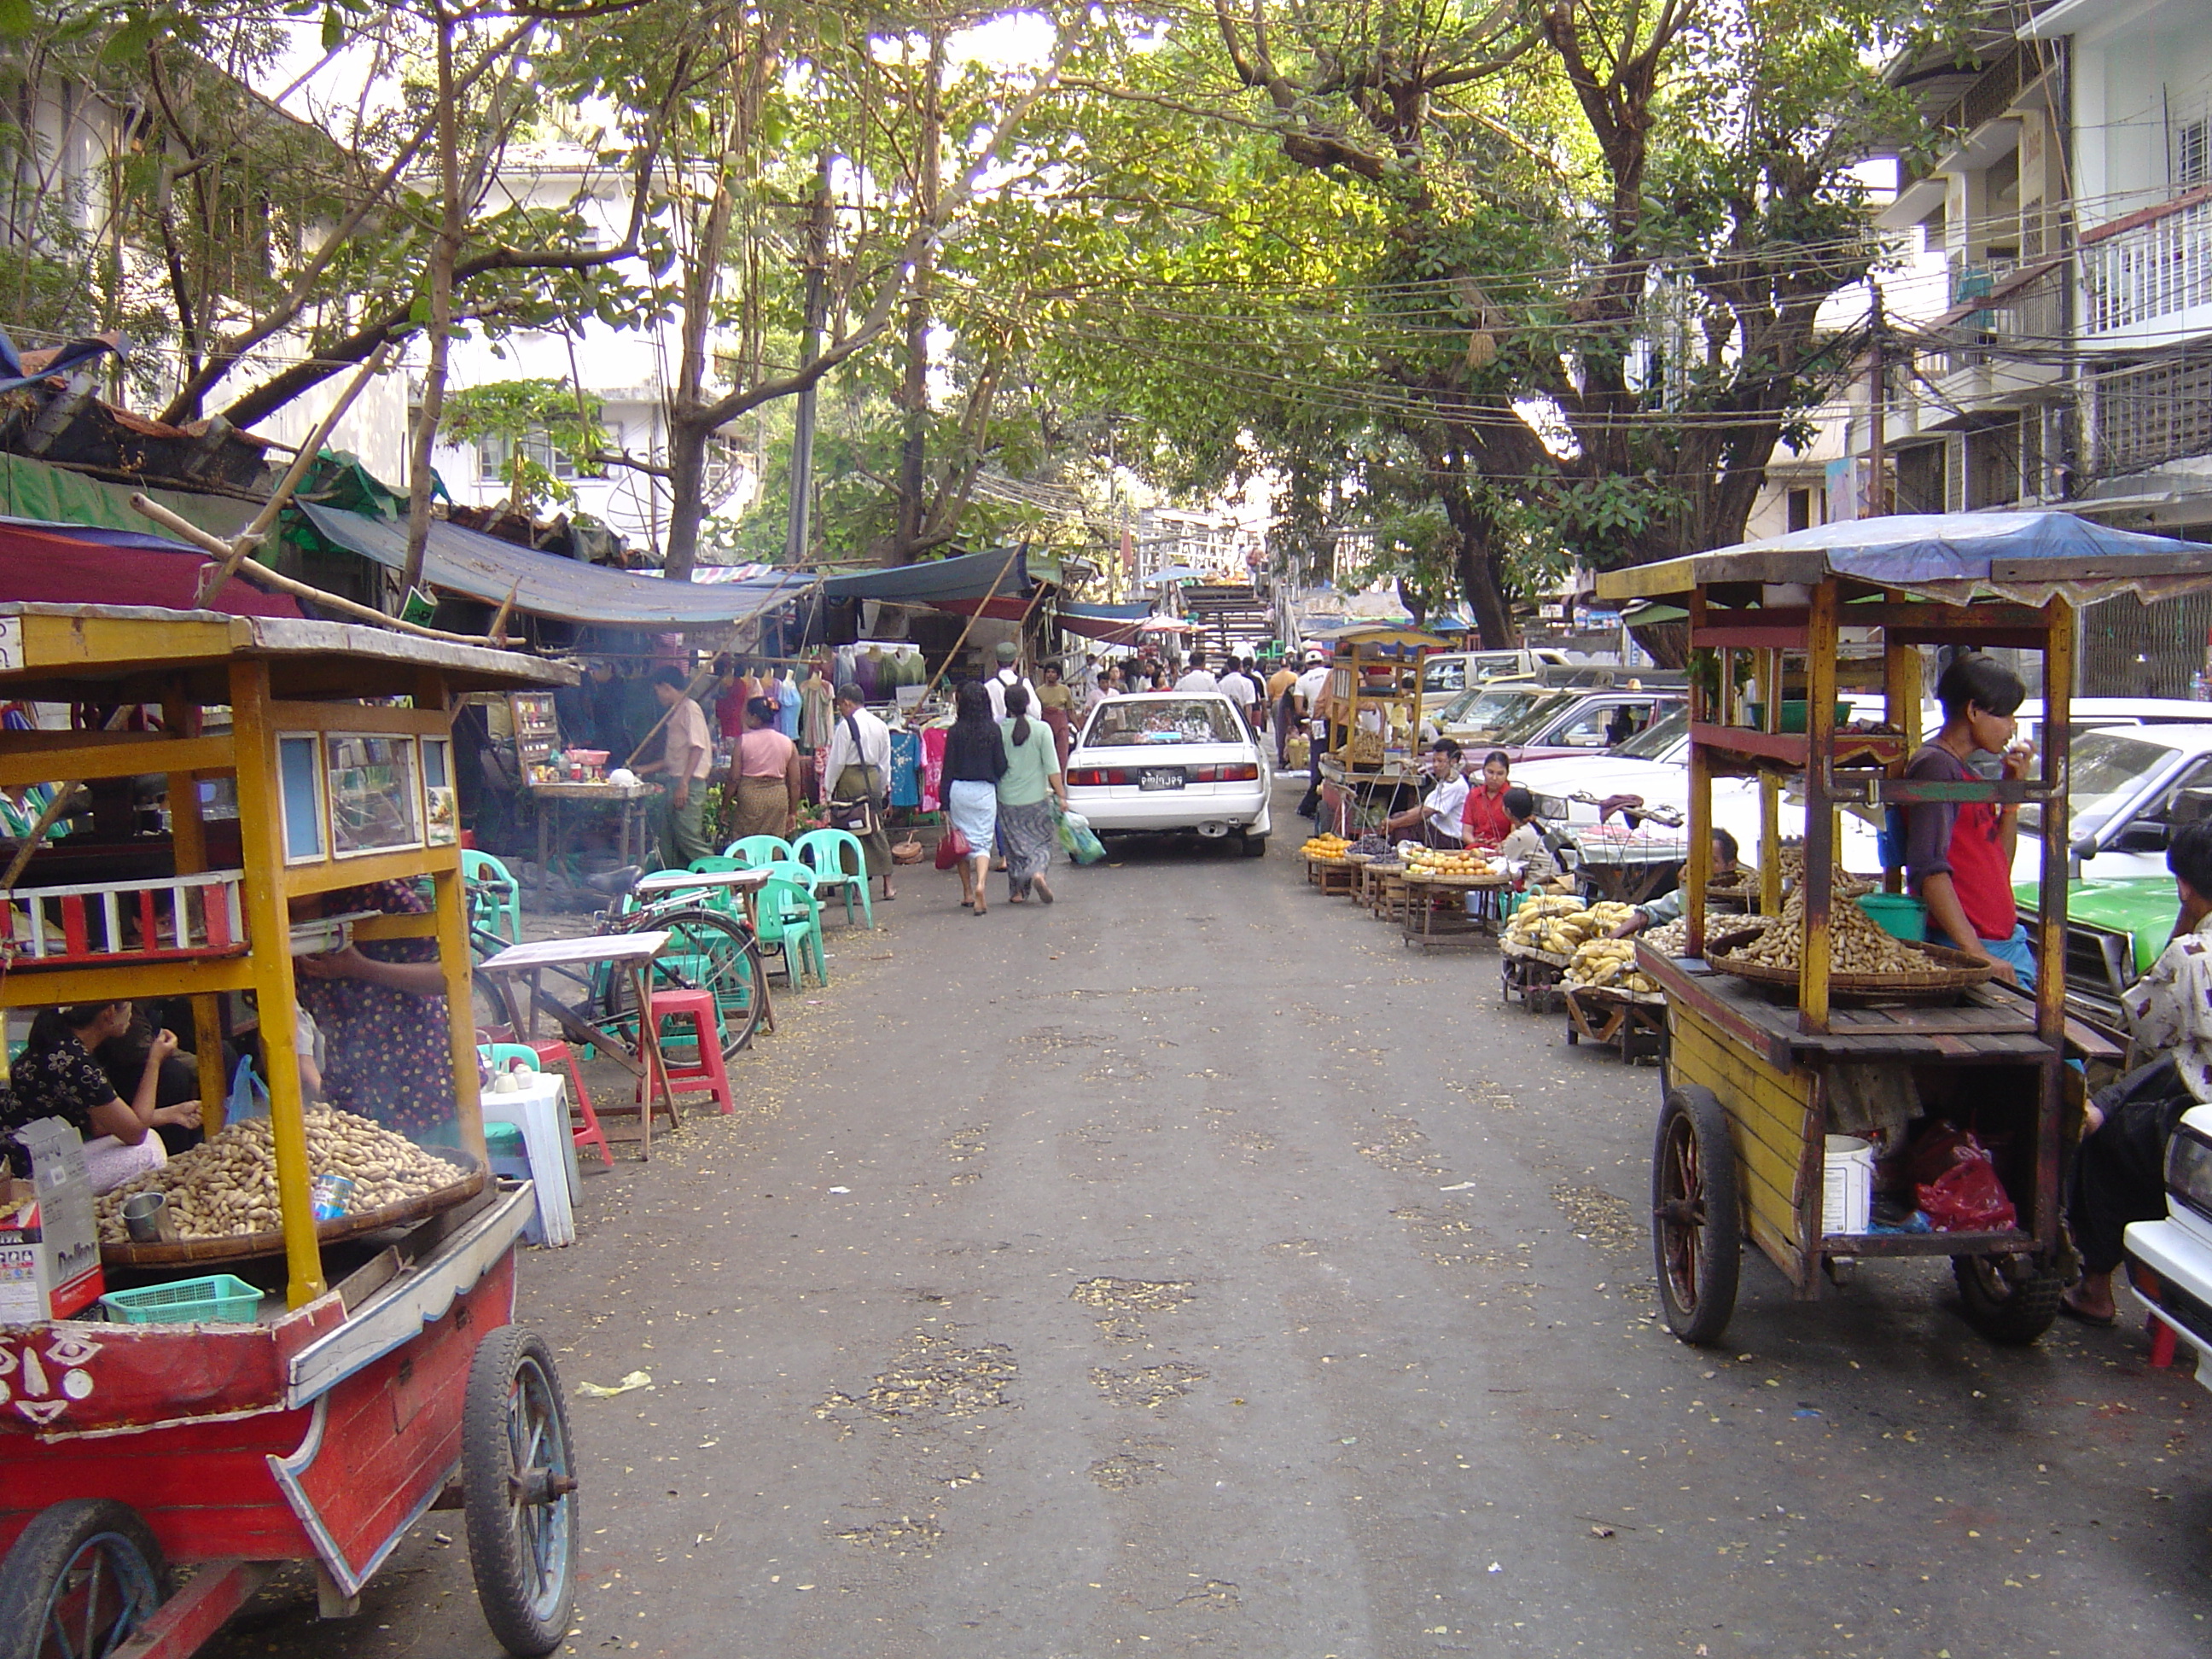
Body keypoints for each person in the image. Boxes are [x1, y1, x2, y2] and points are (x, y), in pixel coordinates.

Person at [2062, 819, 2212, 1326]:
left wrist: (2182, 928)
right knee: (2153, 1098)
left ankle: (2095, 1288)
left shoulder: (2191, 956)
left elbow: (2144, 1031)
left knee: (2111, 1145)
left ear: (2185, 887)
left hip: (2202, 1126)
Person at [1905, 654, 2035, 985]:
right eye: (2005, 715)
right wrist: (1975, 950)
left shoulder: (1967, 774)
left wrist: (2010, 801)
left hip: (2001, 945)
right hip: (1971, 949)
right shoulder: (1935, 766)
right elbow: (1928, 867)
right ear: (1973, 711)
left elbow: (1999, 865)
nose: (2012, 727)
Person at [294, 882, 457, 1142]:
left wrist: (360, 967)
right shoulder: (266, 919)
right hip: (351, 1090)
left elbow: (448, 978)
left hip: (424, 1078)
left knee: (445, 1167)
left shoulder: (381, 896)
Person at [1, 1001, 200, 1193]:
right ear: (109, 1012)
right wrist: (154, 1061)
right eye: (129, 1005)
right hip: (27, 1176)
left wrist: (172, 1114)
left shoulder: (62, 1042)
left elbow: (101, 1125)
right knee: (148, 1152)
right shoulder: (75, 1062)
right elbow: (136, 1133)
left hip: (34, 1160)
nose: (132, 1013)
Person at [824, 682, 897, 901]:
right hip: (873, 779)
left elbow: (837, 761)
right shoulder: (881, 725)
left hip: (850, 780)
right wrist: (885, 787)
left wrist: (828, 790)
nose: (840, 710)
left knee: (850, 829)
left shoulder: (846, 726)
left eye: (840, 706)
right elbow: (885, 761)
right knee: (875, 828)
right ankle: (888, 885)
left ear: (846, 702)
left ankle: (857, 888)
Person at [997, 684, 1069, 905]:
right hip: (1037, 799)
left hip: (1007, 799)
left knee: (1015, 846)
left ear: (1006, 705)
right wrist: (1062, 795)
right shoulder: (1042, 729)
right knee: (1041, 843)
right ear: (1029, 703)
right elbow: (1052, 767)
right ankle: (1038, 873)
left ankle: (1018, 892)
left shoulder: (998, 731)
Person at [637, 665, 714, 868]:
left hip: (688, 784)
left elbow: (697, 749)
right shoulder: (677, 711)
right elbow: (675, 757)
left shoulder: (690, 709)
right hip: (677, 781)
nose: (658, 697)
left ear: (666, 687)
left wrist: (684, 784)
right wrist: (643, 770)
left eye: (658, 691)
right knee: (669, 841)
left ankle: (721, 878)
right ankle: (675, 887)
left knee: (689, 839)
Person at [941, 680, 1008, 914]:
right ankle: (981, 885)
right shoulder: (993, 730)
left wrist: (944, 801)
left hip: (959, 790)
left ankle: (968, 893)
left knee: (962, 843)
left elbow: (947, 767)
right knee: (982, 843)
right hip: (984, 791)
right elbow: (1001, 764)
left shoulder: (955, 731)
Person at [1610, 829, 1749, 936]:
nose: (1702, 866)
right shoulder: (1694, 889)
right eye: (1697, 859)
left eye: (1712, 861)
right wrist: (1616, 934)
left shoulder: (1742, 897)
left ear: (1731, 865)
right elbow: (1652, 911)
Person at [725, 694, 803, 843]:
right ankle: (773, 866)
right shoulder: (787, 743)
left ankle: (746, 866)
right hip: (777, 798)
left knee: (746, 842)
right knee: (774, 843)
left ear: (754, 716)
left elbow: (733, 778)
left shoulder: (743, 741)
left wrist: (725, 806)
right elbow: (795, 782)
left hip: (750, 798)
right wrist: (792, 812)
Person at [1382, 738, 1470, 847]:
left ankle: (1405, 857)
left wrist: (1394, 824)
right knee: (1398, 816)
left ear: (1453, 762)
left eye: (1440, 761)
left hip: (1449, 838)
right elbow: (1424, 807)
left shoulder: (1456, 785)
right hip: (1436, 830)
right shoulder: (1445, 781)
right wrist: (1401, 816)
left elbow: (1426, 812)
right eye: (1434, 761)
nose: (1435, 765)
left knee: (1402, 827)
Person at [1295, 651, 1331, 818]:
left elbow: (1298, 709)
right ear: (1322, 662)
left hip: (1316, 723)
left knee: (1317, 760)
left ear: (1306, 664)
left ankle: (1313, 799)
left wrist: (1308, 714)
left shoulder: (1302, 680)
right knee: (1333, 759)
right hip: (1336, 721)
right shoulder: (1331, 674)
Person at [1497, 786, 1558, 879]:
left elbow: (1503, 864)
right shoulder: (1534, 825)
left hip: (1541, 878)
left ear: (1508, 811)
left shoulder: (1519, 836)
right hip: (1554, 872)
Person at [1462, 751, 1513, 847]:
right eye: (1490, 772)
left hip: (1503, 852)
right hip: (1475, 849)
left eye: (1500, 774)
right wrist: (1475, 842)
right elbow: (1466, 833)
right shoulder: (1474, 795)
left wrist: (1499, 846)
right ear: (1483, 771)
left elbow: (1515, 836)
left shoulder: (1512, 797)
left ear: (1507, 774)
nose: (1494, 778)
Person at [983, 641, 1038, 723]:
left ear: (996, 662)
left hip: (996, 732)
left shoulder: (987, 686)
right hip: (1022, 732)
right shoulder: (1024, 683)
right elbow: (1035, 713)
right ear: (1016, 661)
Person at [1035, 662, 1077, 770]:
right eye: (1048, 672)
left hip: (1061, 725)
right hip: (1045, 723)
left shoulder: (1065, 690)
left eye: (1053, 672)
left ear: (1058, 675)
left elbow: (1070, 711)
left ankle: (1061, 779)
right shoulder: (1039, 691)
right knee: (1046, 753)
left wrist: (1079, 728)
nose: (1050, 674)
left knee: (1062, 753)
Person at [1217, 657, 1257, 726]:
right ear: (1240, 667)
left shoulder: (1221, 684)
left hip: (1226, 717)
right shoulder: (1247, 683)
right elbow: (1248, 706)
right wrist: (1248, 725)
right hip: (1241, 717)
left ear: (1228, 668)